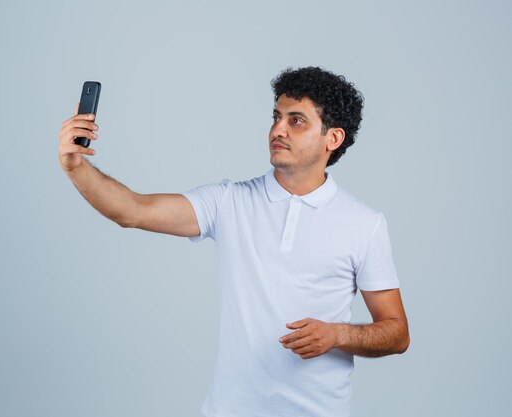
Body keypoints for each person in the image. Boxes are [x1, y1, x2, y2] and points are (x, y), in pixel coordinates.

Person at [58, 66, 410, 417]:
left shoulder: (364, 224)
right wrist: (76, 167)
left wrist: (338, 336)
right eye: (276, 116)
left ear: (332, 139)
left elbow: (396, 333)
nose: (278, 129)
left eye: (296, 121)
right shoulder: (229, 202)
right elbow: (132, 210)